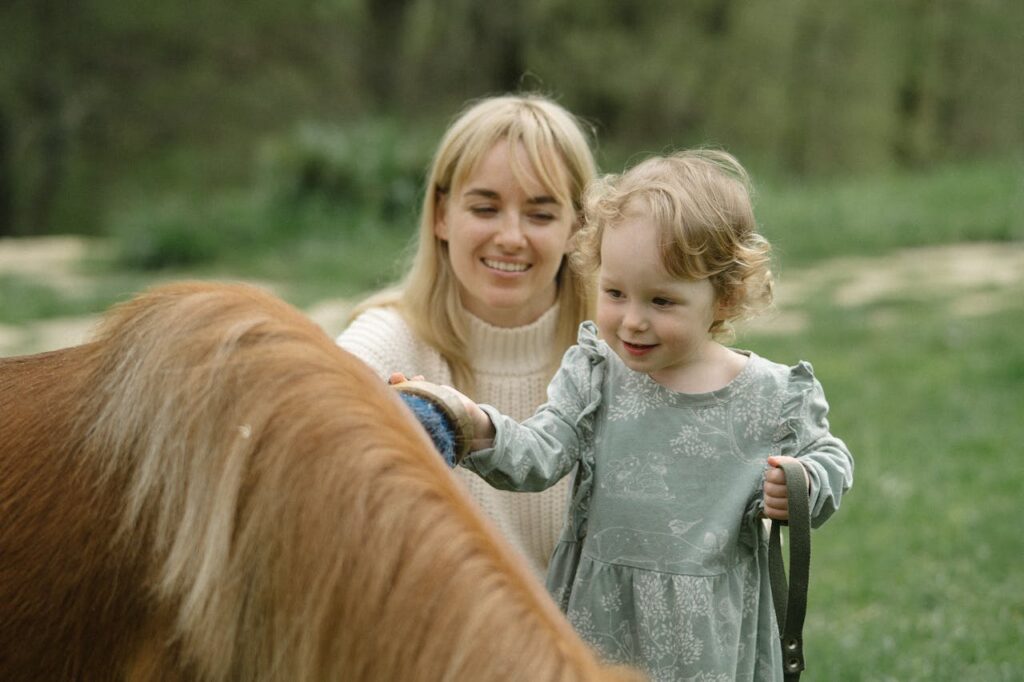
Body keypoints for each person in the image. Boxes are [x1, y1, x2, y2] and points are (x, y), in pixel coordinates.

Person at [450, 150, 855, 680]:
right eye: (615, 293)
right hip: (599, 621)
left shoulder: (771, 395)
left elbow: (830, 458)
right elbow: (540, 454)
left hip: (710, 634)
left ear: (725, 298)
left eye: (662, 301)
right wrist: (476, 427)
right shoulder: (597, 375)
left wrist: (805, 483)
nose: (633, 321)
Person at [337, 94, 598, 578]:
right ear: (441, 214)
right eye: (485, 208)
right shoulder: (390, 338)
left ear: (577, 228)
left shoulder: (616, 355)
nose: (511, 236)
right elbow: (307, 411)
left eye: (540, 214)